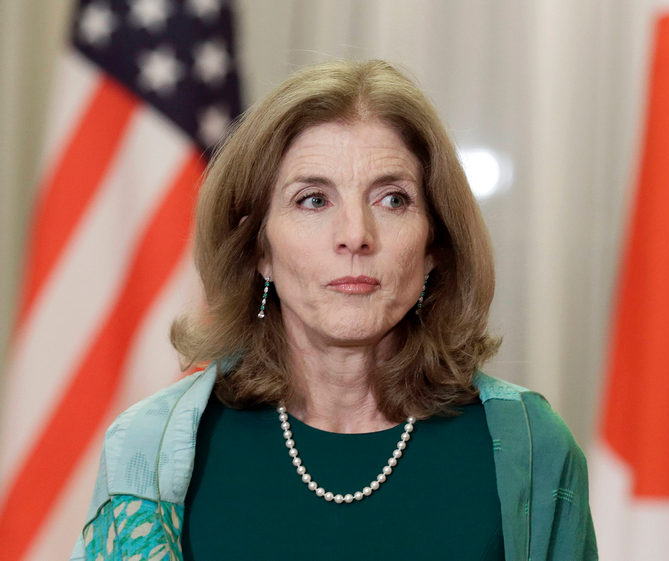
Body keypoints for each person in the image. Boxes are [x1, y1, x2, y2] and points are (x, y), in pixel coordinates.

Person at [71, 59, 597, 561]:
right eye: (313, 200)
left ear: (435, 244)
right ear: (259, 248)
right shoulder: (150, 449)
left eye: (392, 199)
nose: (354, 236)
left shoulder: (531, 448)